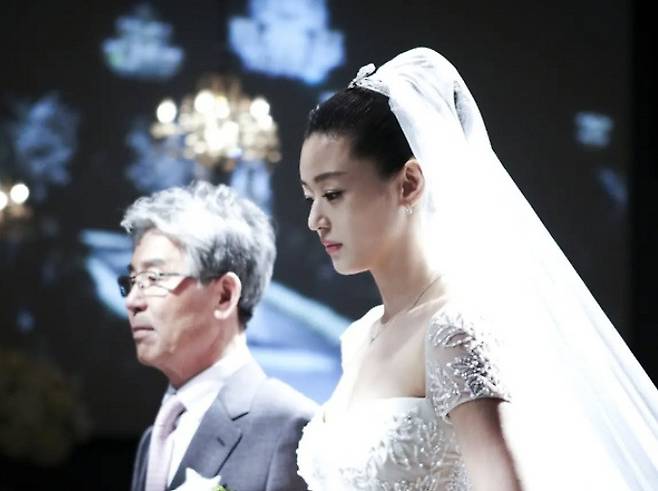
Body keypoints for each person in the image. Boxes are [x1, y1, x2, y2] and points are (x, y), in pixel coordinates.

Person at [295, 47, 658, 490]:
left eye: (333, 194)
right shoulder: (360, 337)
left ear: (409, 183)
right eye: (309, 197)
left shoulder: (452, 332)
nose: (315, 220)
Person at [118, 181, 317, 491]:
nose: (132, 301)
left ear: (224, 295)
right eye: (132, 281)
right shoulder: (154, 438)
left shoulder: (289, 426)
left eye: (154, 278)